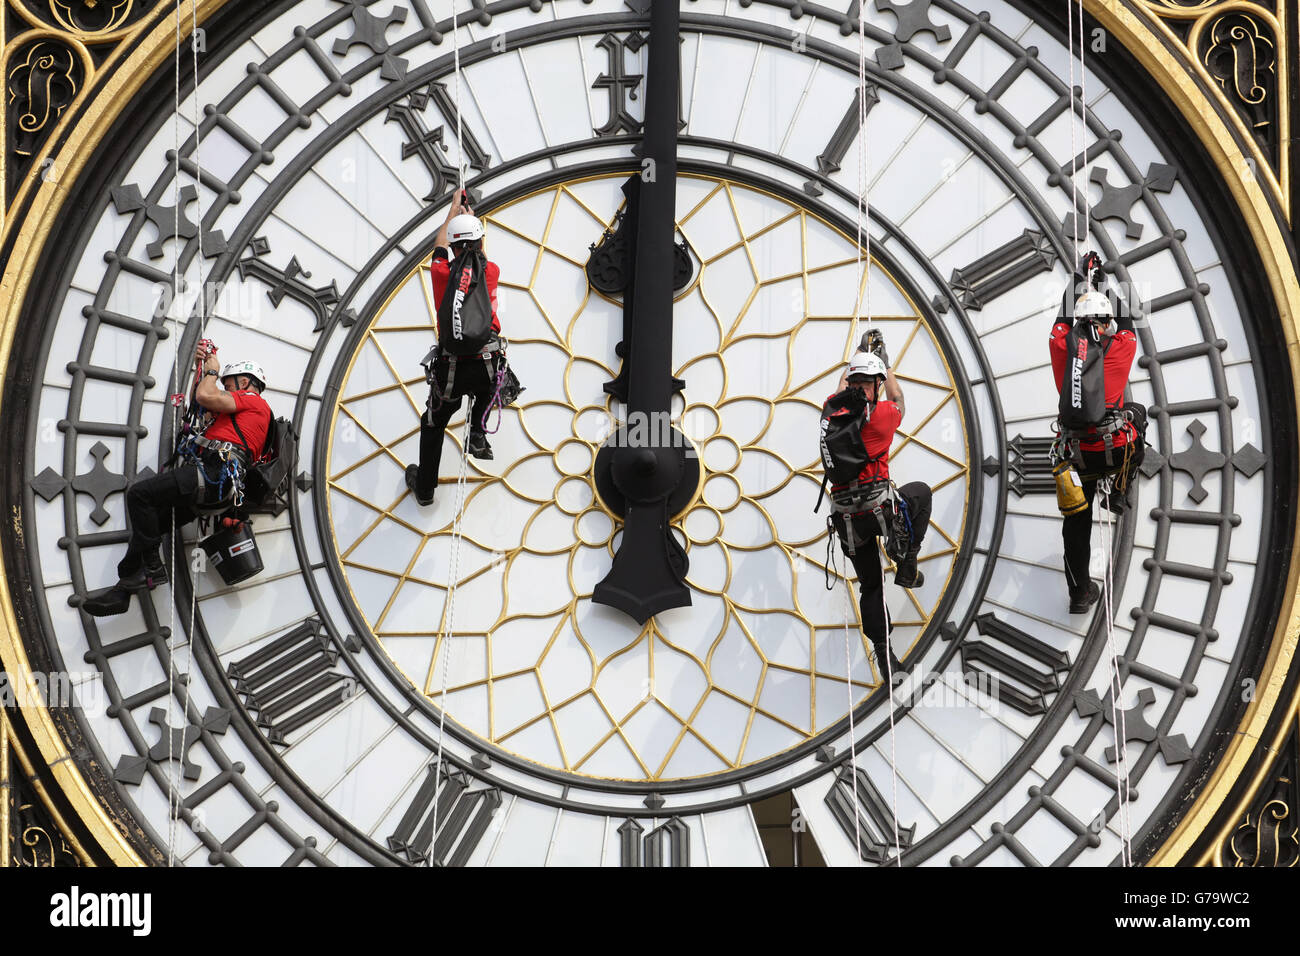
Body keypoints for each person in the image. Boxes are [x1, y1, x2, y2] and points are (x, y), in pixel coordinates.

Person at [84, 343, 272, 615]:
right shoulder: (241, 416)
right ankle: (124, 589)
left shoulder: (254, 402)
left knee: (140, 495)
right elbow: (201, 407)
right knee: (153, 524)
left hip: (215, 472)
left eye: (229, 384)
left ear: (245, 382)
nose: (225, 389)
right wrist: (202, 366)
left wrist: (212, 371)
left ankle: (152, 568)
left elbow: (207, 396)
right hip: (216, 486)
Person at [822, 335, 932, 682]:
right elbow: (898, 399)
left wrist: (857, 355)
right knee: (920, 493)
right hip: (877, 508)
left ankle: (885, 658)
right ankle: (906, 560)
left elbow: (841, 386)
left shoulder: (830, 412)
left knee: (870, 585)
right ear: (875, 384)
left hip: (847, 519)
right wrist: (885, 362)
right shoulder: (882, 415)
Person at [1049, 252, 1146, 614]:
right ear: (1105, 324)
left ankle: (1079, 593)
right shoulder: (1121, 348)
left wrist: (1079, 277)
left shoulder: (1061, 348)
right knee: (1136, 414)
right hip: (1115, 449)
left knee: (1076, 525)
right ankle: (1119, 492)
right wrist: (1100, 280)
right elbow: (1127, 321)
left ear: (1078, 323)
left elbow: (1061, 317)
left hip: (1077, 457)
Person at [405, 191, 505, 507]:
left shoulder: (440, 273)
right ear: (478, 243)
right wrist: (471, 219)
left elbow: (439, 247)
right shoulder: (491, 271)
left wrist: (453, 212)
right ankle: (477, 432)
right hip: (487, 363)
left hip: (452, 371)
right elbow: (480, 255)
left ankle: (425, 488)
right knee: (494, 386)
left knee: (433, 424)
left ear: (454, 244)